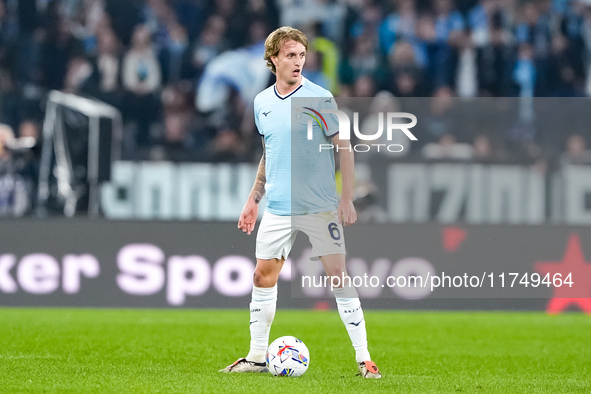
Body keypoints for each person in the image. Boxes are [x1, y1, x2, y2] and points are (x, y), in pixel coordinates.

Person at [219, 26, 381, 379]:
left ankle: (365, 359)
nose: (298, 62)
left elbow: (345, 148)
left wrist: (347, 199)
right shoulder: (261, 103)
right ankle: (257, 357)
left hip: (320, 207)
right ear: (273, 59)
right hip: (277, 207)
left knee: (338, 277)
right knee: (263, 276)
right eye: (290, 55)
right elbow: (269, 153)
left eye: (302, 55)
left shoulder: (319, 98)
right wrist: (253, 199)